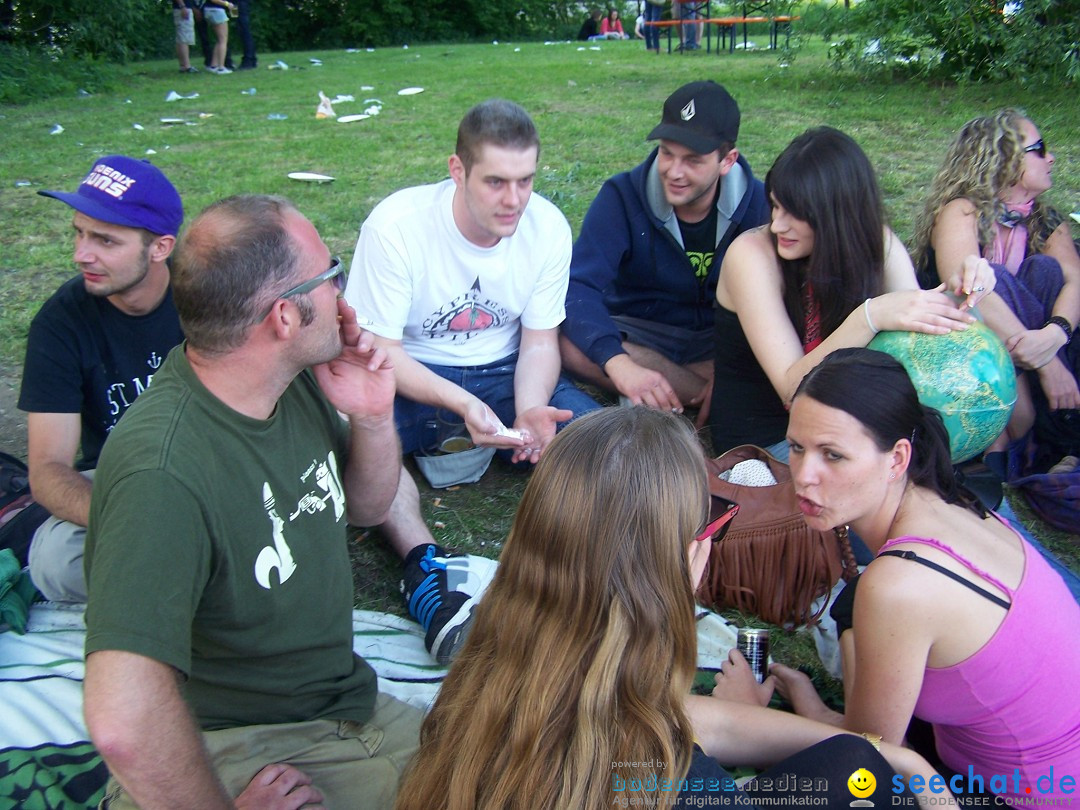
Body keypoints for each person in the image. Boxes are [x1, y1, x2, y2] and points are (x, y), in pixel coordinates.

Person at [395, 407, 944, 810]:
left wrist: (875, 746)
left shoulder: (486, 686)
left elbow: (676, 715)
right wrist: (879, 759)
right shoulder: (668, 780)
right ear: (689, 556)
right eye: (714, 519)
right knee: (858, 779)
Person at [82, 195, 423, 810]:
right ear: (285, 318)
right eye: (331, 277)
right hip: (238, 743)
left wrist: (372, 416)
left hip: (345, 702)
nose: (344, 300)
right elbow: (123, 720)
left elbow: (368, 510)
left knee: (529, 771)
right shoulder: (161, 472)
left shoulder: (287, 383)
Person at [719, 348, 1080, 804]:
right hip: (1041, 762)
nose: (804, 477)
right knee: (852, 607)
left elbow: (865, 767)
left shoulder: (898, 587)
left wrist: (750, 715)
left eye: (833, 455)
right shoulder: (957, 505)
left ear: (897, 458)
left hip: (1018, 795)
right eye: (796, 447)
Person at [344, 99, 600, 663]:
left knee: (602, 440)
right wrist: (461, 404)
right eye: (496, 182)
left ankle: (607, 574)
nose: (514, 200)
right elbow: (379, 353)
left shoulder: (547, 226)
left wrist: (532, 408)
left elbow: (538, 340)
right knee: (355, 437)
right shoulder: (396, 227)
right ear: (457, 171)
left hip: (507, 375)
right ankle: (426, 569)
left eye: (526, 180)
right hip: (409, 378)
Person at [708, 127, 993, 458]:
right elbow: (792, 388)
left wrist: (963, 290)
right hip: (767, 439)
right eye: (774, 206)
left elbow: (916, 331)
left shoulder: (876, 244)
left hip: (848, 422)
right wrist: (870, 317)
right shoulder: (752, 255)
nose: (778, 225)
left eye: (796, 214)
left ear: (837, 215)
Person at [19, 156, 185, 603]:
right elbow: (49, 469)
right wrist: (133, 517)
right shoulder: (61, 324)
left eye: (105, 240)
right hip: (122, 482)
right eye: (79, 232)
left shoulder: (207, 292)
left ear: (160, 248)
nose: (81, 255)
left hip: (217, 463)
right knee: (55, 561)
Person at [561, 81, 770, 420]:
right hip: (640, 330)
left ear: (727, 160)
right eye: (667, 153)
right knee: (565, 343)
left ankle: (671, 390)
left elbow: (781, 300)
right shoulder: (621, 195)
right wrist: (619, 364)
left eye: (693, 160)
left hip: (721, 336)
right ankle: (706, 392)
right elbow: (578, 287)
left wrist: (738, 358)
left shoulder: (759, 206)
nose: (674, 171)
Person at [912, 109, 1080, 450]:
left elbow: (1076, 281)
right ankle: (1047, 430)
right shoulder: (961, 210)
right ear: (1005, 158)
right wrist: (1046, 364)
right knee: (992, 277)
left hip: (1036, 354)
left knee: (1047, 272)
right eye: (1040, 148)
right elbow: (968, 288)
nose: (1051, 157)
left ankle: (1049, 430)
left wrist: (1053, 337)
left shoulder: (1044, 219)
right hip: (969, 349)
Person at [202, 0, 237, 74]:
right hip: (216, 10)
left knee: (219, 39)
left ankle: (213, 65)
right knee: (223, 40)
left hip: (208, 10)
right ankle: (221, 67)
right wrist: (227, 4)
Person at [172, 0, 198, 72]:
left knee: (181, 38)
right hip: (183, 9)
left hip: (181, 8)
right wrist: (183, 6)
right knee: (184, 38)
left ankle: (183, 65)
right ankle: (187, 66)